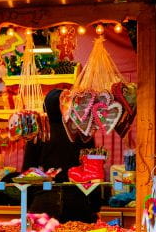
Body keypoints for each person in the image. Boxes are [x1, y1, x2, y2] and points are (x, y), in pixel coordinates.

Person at [22, 88, 102, 223]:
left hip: (44, 200)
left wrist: (28, 203)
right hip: (78, 200)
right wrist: (95, 205)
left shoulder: (38, 133)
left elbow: (28, 172)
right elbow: (93, 172)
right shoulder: (82, 132)